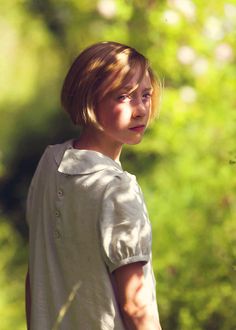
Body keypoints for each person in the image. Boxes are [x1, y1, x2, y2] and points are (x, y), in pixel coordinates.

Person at [25, 41, 162, 330]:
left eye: (145, 95)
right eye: (124, 97)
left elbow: (35, 279)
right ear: (88, 99)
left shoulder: (50, 162)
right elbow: (136, 308)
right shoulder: (118, 189)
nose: (140, 110)